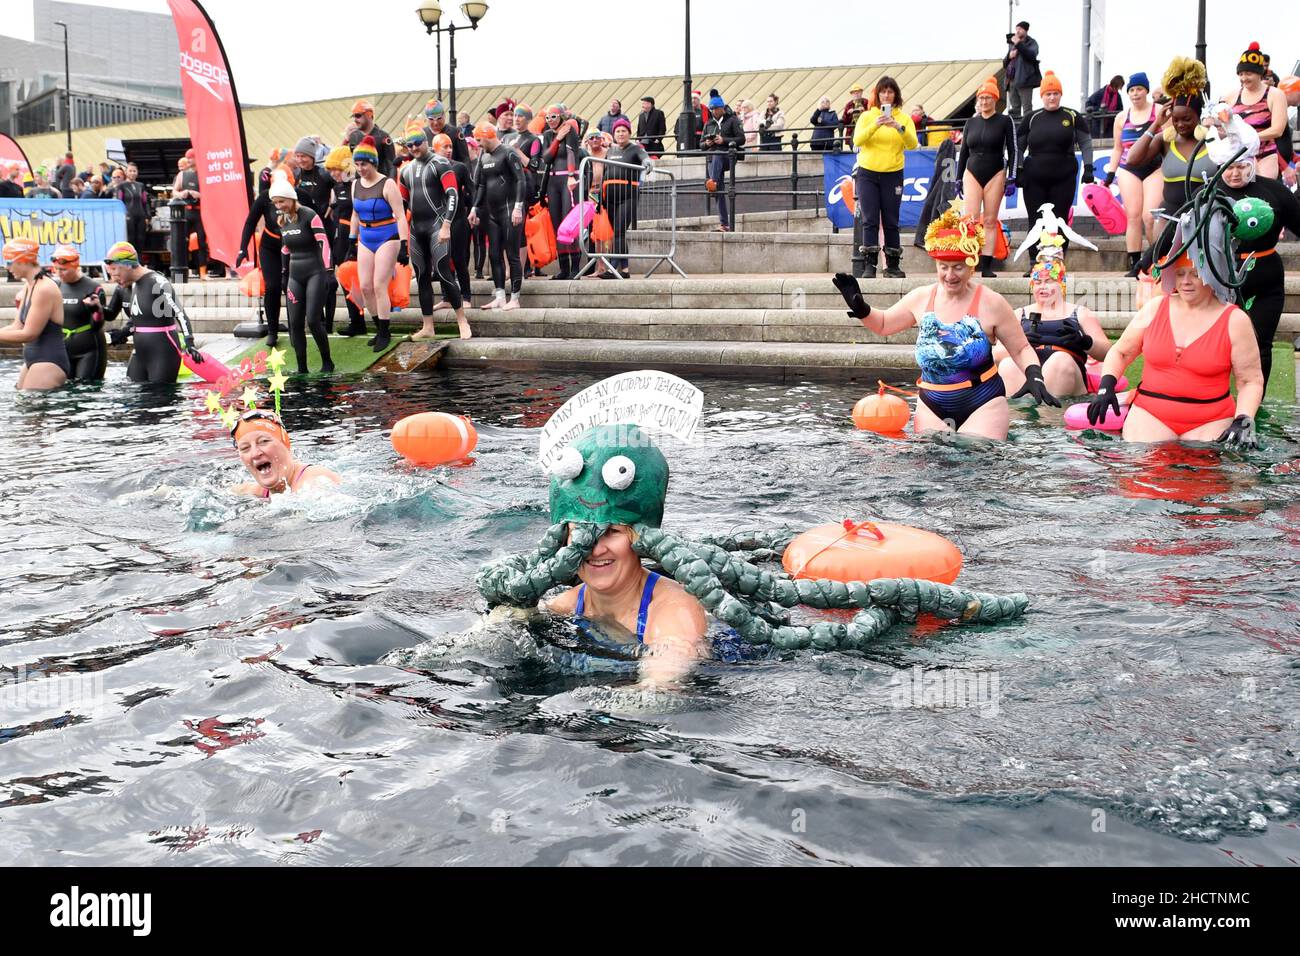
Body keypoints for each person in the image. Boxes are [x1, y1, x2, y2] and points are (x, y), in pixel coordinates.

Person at [833, 202, 1059, 439]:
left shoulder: (991, 303)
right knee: (934, 466)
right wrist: (862, 309)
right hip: (932, 403)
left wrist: (1034, 375)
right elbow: (883, 325)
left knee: (976, 458)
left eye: (958, 268)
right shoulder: (921, 298)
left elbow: (1021, 348)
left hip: (982, 401)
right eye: (944, 267)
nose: (950, 275)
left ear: (971, 266)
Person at [542, 428, 710, 683]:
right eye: (581, 534)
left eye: (612, 532)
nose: (596, 549)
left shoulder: (675, 609)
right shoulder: (563, 606)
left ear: (639, 538)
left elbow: (661, 683)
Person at [1088, 255, 1263, 446]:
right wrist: (1106, 387)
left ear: (1212, 276)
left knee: (1207, 470)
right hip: (1150, 413)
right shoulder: (1154, 308)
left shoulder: (1235, 320)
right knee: (1141, 466)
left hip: (1211, 419)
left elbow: (1250, 380)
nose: (1186, 281)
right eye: (1180, 274)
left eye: (1195, 274)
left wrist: (1243, 419)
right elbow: (1121, 353)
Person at [1213, 121, 1300, 386]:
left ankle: (1254, 405)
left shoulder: (1273, 190)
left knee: (1261, 343)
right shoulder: (1210, 192)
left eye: (1241, 166)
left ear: (1251, 163)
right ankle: (1217, 399)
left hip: (1265, 278)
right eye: (1229, 167)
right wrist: (1148, 262)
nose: (1235, 174)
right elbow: (1177, 228)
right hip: (1221, 278)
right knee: (1218, 344)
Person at [993, 251, 1111, 396]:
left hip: (1066, 370)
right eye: (1038, 282)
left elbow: (1107, 353)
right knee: (1007, 365)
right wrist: (1022, 345)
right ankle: (1017, 415)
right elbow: (997, 354)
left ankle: (1049, 415)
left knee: (1059, 360)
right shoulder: (1019, 314)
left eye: (1049, 281)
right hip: (1029, 372)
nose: (1043, 287)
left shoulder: (1080, 313)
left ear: (1061, 284)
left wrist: (1085, 342)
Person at [401, 120, 471, 338]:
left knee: (444, 272)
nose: (414, 148)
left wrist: (446, 225)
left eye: (417, 143)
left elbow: (453, 194)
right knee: (422, 276)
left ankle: (462, 320)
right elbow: (402, 205)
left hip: (437, 226)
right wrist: (401, 236)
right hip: (417, 229)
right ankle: (428, 326)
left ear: (426, 142)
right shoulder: (405, 171)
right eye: (409, 145)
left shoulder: (440, 163)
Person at [1017, 72, 1094, 270]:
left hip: (1064, 175)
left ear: (1061, 95)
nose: (1052, 98)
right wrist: (1018, 169)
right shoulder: (1031, 118)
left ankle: (1056, 262)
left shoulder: (1072, 115)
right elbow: (1019, 147)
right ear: (1041, 96)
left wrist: (1088, 168)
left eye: (1055, 93)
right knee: (1036, 221)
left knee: (1059, 220)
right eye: (1048, 94)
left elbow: (1085, 142)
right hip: (1035, 177)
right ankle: (1035, 263)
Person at [1123, 58, 1215, 224]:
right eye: (1175, 119)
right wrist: (1156, 124)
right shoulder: (1164, 140)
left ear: (1198, 116)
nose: (1180, 125)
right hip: (1171, 214)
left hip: (1204, 214)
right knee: (1157, 250)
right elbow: (1132, 159)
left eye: (1186, 119)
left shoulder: (1211, 139)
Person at [102, 241, 204, 383]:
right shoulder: (133, 285)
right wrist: (123, 333)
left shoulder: (157, 281)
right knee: (132, 394)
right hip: (140, 353)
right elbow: (140, 319)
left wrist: (190, 343)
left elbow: (180, 313)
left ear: (127, 265)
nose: (113, 278)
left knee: (159, 399)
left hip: (162, 352)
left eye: (114, 271)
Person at [852, 76, 918, 278]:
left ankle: (892, 265)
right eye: (883, 92)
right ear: (877, 95)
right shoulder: (866, 116)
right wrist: (876, 125)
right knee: (870, 219)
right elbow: (857, 140)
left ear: (896, 95)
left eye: (890, 92)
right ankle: (869, 265)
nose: (886, 95)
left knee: (891, 219)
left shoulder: (904, 119)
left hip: (893, 174)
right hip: (868, 173)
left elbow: (912, 144)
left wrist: (897, 127)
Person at [348, 136, 409, 352]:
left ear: (373, 162)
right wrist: (351, 240)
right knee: (365, 287)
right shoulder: (355, 184)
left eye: (363, 164)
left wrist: (404, 244)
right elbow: (355, 214)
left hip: (387, 235)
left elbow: (401, 216)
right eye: (357, 164)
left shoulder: (387, 183)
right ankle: (378, 327)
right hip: (365, 236)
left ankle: (385, 331)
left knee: (378, 285)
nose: (360, 168)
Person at [270, 173, 333, 375]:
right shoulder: (282, 220)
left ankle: (327, 362)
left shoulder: (309, 215)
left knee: (313, 320)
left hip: (315, 272)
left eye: (282, 201)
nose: (279, 205)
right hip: (294, 277)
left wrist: (329, 271)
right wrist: (283, 273)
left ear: (291, 198)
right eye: (275, 202)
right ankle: (302, 368)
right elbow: (285, 249)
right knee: (294, 323)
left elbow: (323, 242)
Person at [957, 76, 1017, 278]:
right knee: (971, 220)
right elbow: (963, 151)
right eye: (981, 98)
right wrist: (958, 178)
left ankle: (987, 265)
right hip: (972, 171)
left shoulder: (1004, 121)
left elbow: (1013, 149)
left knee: (990, 220)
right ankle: (970, 261)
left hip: (996, 172)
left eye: (988, 98)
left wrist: (1012, 177)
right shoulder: (970, 123)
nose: (984, 102)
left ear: (995, 99)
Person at [1106, 73, 1162, 276]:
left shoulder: (1159, 111)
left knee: (1150, 216)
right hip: (1129, 168)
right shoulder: (1122, 117)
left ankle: (1156, 258)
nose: (1135, 93)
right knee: (1133, 216)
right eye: (1131, 90)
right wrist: (1110, 175)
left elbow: (1171, 140)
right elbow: (1117, 148)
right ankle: (1134, 263)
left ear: (1147, 90)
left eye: (1139, 89)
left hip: (1155, 166)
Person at [468, 121, 527, 310]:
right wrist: (474, 208)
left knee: (512, 254)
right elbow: (482, 186)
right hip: (492, 212)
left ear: (487, 136)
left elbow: (520, 180)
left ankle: (515, 298)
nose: (477, 144)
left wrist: (518, 207)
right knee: (494, 254)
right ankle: (500, 296)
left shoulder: (508, 152)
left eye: (479, 139)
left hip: (510, 209)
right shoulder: (484, 157)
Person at [236, 153, 292, 348]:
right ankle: (273, 330)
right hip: (270, 245)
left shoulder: (299, 197)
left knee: (291, 286)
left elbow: (315, 222)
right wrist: (242, 249)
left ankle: (295, 327)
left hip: (292, 245)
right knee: (273, 287)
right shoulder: (264, 198)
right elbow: (250, 222)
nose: (279, 201)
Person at [0, 238, 68, 390]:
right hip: (33, 359)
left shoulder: (44, 289)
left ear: (24, 260)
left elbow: (29, 334)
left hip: (48, 360)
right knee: (23, 406)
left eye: (9, 262)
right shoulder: (29, 285)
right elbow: (17, 326)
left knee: (34, 410)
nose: (7, 267)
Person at [1219, 42, 1290, 181]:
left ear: (1259, 73)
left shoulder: (1275, 94)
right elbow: (1221, 125)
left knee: (1261, 196)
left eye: (1248, 73)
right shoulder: (1231, 96)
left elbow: (1278, 130)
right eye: (1241, 74)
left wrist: (1249, 137)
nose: (1244, 78)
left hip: (1265, 157)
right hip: (1237, 159)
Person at [230, 410, 340, 498]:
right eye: (245, 448)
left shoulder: (315, 479)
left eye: (264, 441)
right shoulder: (257, 492)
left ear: (286, 444)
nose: (255, 454)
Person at [431, 132, 475, 324]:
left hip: (457, 219)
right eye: (444, 147)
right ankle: (447, 297)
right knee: (440, 260)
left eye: (450, 147)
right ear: (435, 149)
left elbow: (472, 190)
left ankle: (465, 296)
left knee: (458, 258)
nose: (449, 151)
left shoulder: (460, 167)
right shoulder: (429, 168)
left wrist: (474, 210)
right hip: (436, 220)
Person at [601, 118, 650, 279]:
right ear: (614, 134)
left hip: (628, 196)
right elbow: (605, 173)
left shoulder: (635, 149)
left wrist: (648, 164)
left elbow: (645, 158)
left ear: (629, 133)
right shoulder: (611, 151)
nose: (620, 134)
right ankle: (625, 270)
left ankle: (611, 269)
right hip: (610, 198)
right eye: (617, 131)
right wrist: (601, 199)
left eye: (623, 131)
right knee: (616, 232)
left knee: (619, 232)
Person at [52, 244, 108, 382]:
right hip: (64, 349)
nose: (60, 273)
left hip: (89, 350)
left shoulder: (93, 288)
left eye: (64, 269)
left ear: (75, 266)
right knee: (66, 391)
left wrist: (96, 310)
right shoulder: (56, 286)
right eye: (57, 269)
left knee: (86, 390)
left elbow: (98, 325)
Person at [540, 104, 584, 279]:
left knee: (569, 224)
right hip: (553, 181)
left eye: (554, 117)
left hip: (567, 178)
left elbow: (572, 153)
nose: (551, 120)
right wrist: (557, 138)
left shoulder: (570, 129)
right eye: (547, 117)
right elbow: (546, 157)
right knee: (557, 225)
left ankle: (575, 268)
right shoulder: (548, 135)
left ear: (561, 117)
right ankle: (564, 268)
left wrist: (572, 175)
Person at [701, 92, 746, 232]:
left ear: (722, 108)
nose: (713, 112)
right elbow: (701, 145)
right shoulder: (708, 123)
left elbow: (741, 139)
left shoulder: (732, 120)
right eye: (711, 109)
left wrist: (724, 141)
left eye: (715, 109)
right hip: (712, 158)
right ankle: (724, 224)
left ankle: (712, 182)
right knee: (719, 190)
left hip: (727, 157)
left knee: (718, 154)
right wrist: (708, 143)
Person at [172, 154, 208, 280]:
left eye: (191, 157)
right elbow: (174, 191)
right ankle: (182, 272)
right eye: (187, 158)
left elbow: (210, 194)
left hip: (199, 212)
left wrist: (199, 195)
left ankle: (203, 272)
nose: (188, 160)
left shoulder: (204, 174)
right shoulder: (182, 175)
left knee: (202, 242)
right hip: (186, 211)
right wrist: (182, 193)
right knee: (182, 242)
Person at [109, 163, 152, 267]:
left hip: (140, 215)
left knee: (141, 240)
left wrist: (148, 216)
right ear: (126, 172)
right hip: (128, 216)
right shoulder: (121, 186)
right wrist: (120, 216)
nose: (132, 173)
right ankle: (129, 262)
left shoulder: (140, 185)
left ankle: (139, 263)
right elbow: (119, 202)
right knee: (130, 239)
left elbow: (145, 202)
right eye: (130, 171)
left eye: (134, 171)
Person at [343, 100, 396, 178]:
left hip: (379, 183)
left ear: (369, 114)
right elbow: (351, 162)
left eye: (358, 115)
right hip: (360, 184)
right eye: (353, 116)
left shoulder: (384, 137)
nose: (355, 120)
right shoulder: (353, 136)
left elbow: (392, 165)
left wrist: (391, 183)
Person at [1003, 21, 1041, 119]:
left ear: (1026, 30)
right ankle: (1016, 130)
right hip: (1011, 80)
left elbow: (1031, 56)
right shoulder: (1012, 44)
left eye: (1020, 29)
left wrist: (1019, 44)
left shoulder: (1032, 43)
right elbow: (1004, 63)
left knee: (1027, 109)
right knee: (1014, 109)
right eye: (1016, 29)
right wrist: (1009, 56)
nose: (1017, 31)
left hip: (1025, 80)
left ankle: (1028, 130)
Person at [424, 99, 470, 166]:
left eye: (439, 118)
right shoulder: (423, 134)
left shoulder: (455, 133)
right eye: (431, 119)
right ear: (426, 119)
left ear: (444, 116)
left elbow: (465, 159)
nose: (435, 123)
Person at [841, 83, 868, 149]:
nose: (856, 94)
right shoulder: (849, 104)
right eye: (854, 92)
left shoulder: (867, 102)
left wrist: (864, 111)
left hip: (865, 128)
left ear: (861, 92)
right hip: (852, 130)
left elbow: (872, 116)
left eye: (858, 92)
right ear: (852, 94)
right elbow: (844, 121)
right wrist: (848, 113)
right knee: (853, 148)